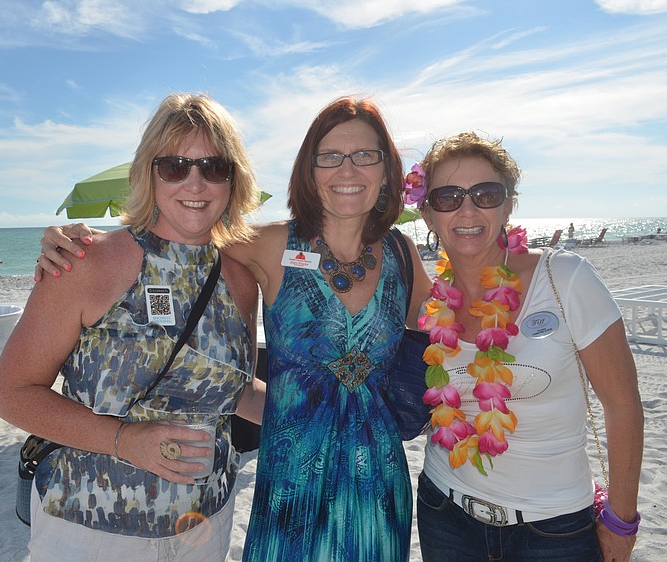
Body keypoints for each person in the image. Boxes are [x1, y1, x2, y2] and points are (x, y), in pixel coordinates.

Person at [37, 96, 432, 561]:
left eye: (366, 155)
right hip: (291, 484)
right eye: (329, 156)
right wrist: (70, 245)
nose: (348, 169)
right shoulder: (263, 246)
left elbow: (451, 330)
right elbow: (178, 239)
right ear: (309, 170)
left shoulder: (402, 256)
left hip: (378, 480)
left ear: (387, 170)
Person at [0, 93, 266, 561]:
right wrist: (124, 441)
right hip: (89, 526)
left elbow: (232, 390)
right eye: (175, 166)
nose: (195, 182)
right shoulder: (84, 261)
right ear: (149, 172)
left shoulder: (239, 276)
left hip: (206, 521)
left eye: (213, 167)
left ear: (233, 178)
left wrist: (325, 419)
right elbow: (12, 392)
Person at [411, 131, 643, 561]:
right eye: (447, 197)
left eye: (485, 193)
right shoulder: (427, 301)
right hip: (445, 511)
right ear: (427, 213)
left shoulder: (565, 277)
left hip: (554, 528)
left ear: (508, 204)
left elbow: (623, 403)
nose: (467, 209)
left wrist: (621, 519)